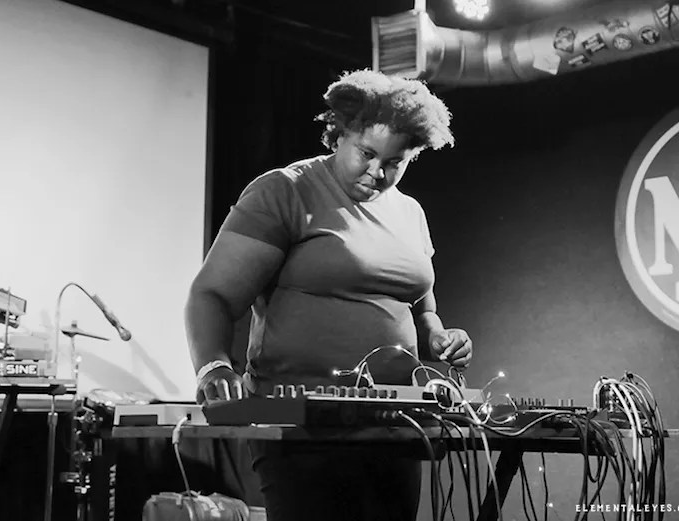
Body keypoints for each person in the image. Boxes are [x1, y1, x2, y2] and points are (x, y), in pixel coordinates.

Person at [185, 69, 473, 521]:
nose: (377, 172)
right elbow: (213, 294)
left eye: (395, 162)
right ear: (339, 134)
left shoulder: (410, 213)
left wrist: (439, 336)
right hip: (301, 427)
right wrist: (213, 366)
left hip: (395, 425)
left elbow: (422, 308)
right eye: (367, 153)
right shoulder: (285, 191)